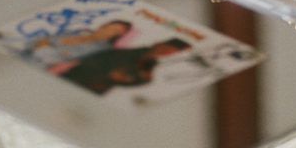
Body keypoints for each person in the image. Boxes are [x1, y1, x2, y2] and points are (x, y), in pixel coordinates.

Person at [49, 37, 193, 93]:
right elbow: (101, 65)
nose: (165, 54)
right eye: (165, 49)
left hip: (92, 90)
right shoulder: (126, 54)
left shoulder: (150, 67)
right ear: (158, 43)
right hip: (76, 80)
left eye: (170, 53)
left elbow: (135, 80)